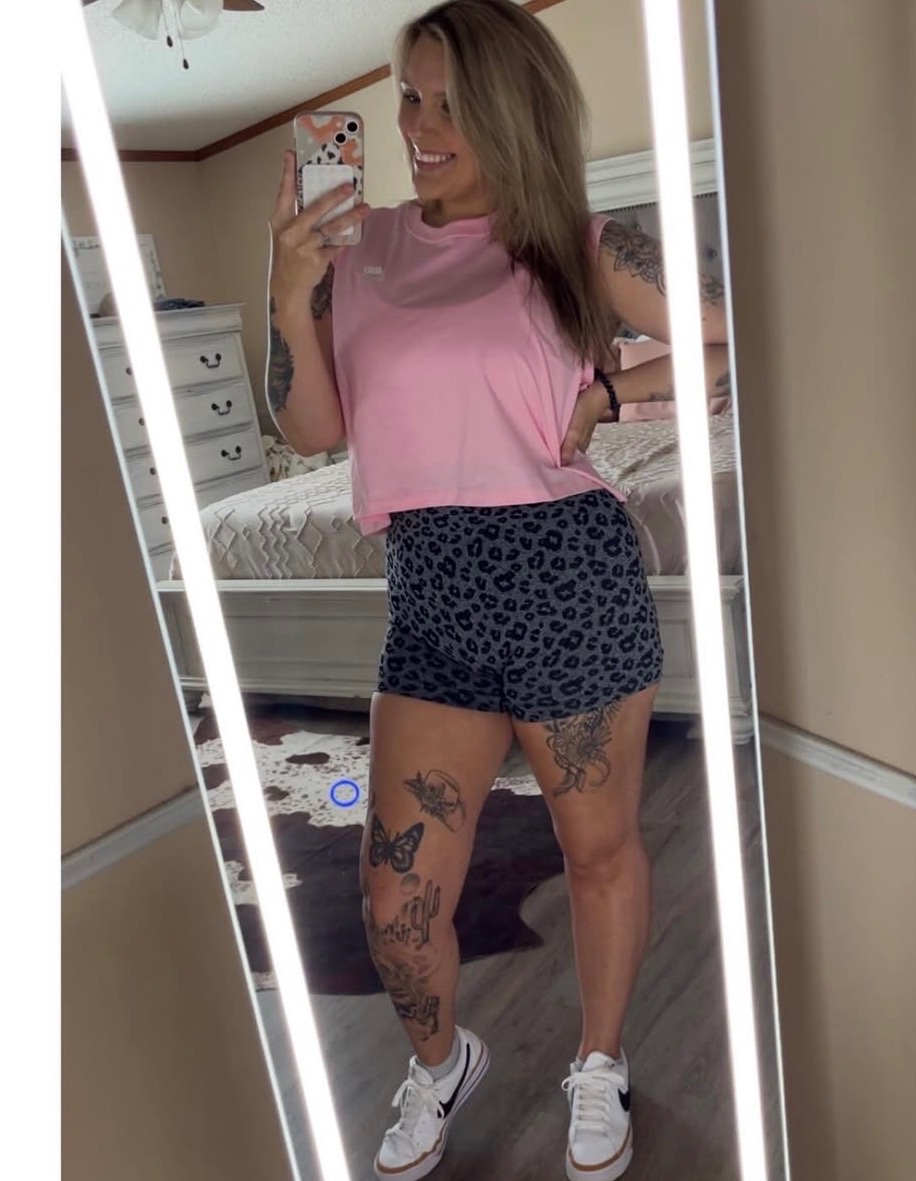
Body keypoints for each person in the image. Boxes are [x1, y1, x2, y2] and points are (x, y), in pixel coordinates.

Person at [266, 2, 729, 1178]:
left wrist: (615, 396)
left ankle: (599, 1059)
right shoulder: (358, 247)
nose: (419, 127)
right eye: (408, 97)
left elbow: (735, 340)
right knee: (393, 899)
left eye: (450, 104)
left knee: (596, 848)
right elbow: (312, 429)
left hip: (567, 574)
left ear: (510, 111)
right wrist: (286, 293)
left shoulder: (578, 242)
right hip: (431, 596)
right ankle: (440, 1062)